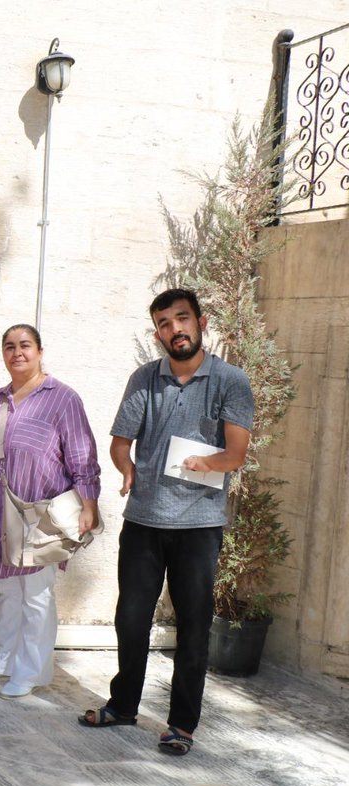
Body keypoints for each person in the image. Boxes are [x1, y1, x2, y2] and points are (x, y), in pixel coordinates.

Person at [80, 288, 252, 757]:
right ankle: (123, 705)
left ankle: (181, 725)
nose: (175, 329)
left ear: (201, 322)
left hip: (199, 525)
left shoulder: (231, 381)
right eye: (164, 323)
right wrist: (126, 468)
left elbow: (236, 453)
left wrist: (205, 463)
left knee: (194, 627)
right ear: (157, 332)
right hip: (144, 520)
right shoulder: (144, 379)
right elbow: (120, 443)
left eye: (182, 319)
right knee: (130, 620)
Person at [0, 324, 101, 699]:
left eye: (25, 345)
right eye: (9, 346)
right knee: (8, 589)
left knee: (36, 593)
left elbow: (82, 456)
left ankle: (31, 670)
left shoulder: (63, 399)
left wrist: (89, 503)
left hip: (39, 515)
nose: (17, 353)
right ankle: (4, 660)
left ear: (40, 351)